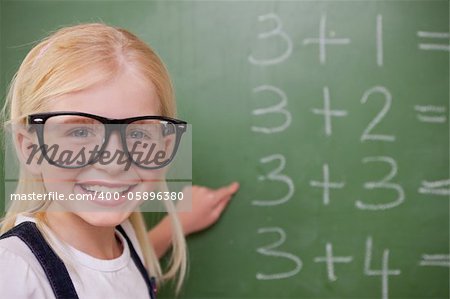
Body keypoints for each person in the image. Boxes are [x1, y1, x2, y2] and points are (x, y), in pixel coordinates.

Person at [0, 22, 239, 298]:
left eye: (138, 133)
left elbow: (110, 276)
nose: (113, 163)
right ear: (31, 148)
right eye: (79, 131)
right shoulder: (14, 272)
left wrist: (178, 223)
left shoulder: (125, 240)